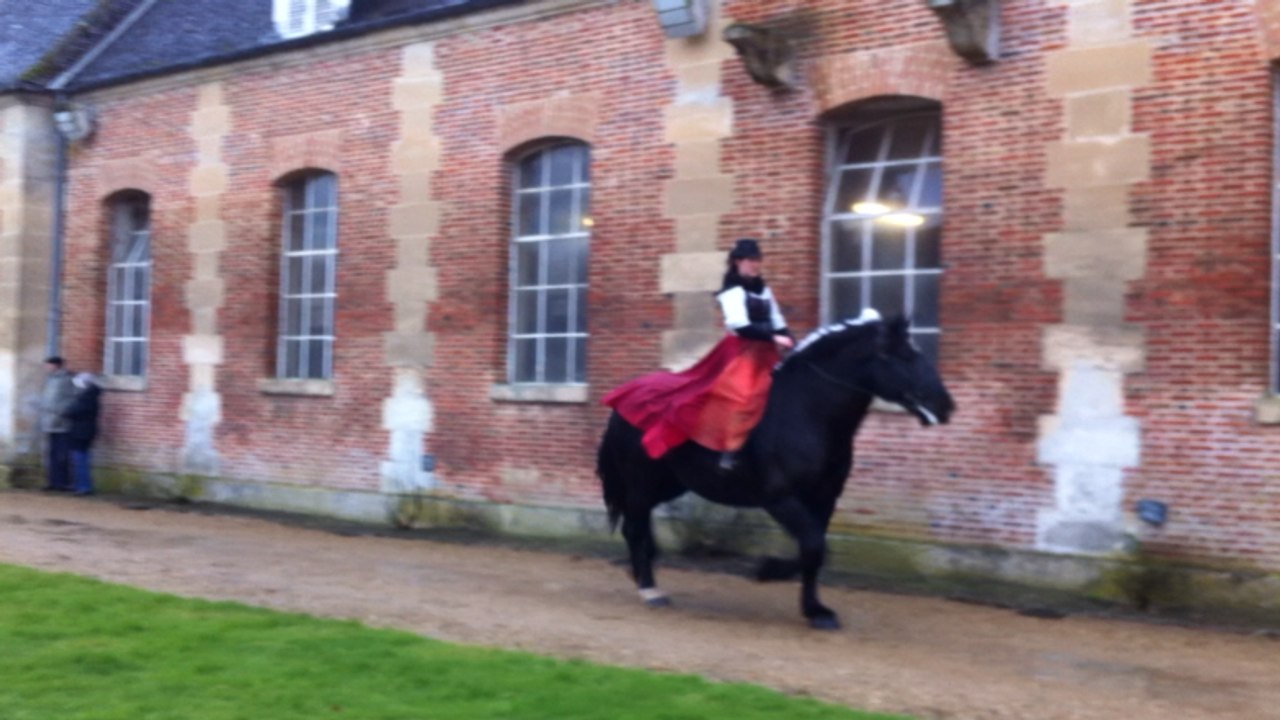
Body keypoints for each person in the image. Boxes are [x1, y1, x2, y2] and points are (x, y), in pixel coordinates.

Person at [603, 238, 793, 471]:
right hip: (740, 352)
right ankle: (730, 450)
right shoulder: (732, 290)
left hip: (767, 353)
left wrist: (789, 338)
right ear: (738, 262)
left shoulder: (764, 290)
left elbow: (778, 321)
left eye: (757, 260)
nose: (755, 265)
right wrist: (774, 338)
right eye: (750, 260)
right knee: (741, 396)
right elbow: (741, 326)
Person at [38, 356, 77, 492]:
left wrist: (61, 413)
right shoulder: (50, 380)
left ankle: (63, 482)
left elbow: (72, 400)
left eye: (48, 365)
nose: (46, 368)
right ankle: (52, 481)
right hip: (49, 423)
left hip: (62, 424)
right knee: (51, 454)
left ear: (56, 366)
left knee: (63, 455)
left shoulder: (67, 380)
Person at [64, 372, 102, 496]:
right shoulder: (91, 396)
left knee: (80, 459)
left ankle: (83, 486)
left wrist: (67, 412)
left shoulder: (87, 397)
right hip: (84, 430)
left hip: (81, 432)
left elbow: (74, 411)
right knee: (81, 459)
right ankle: (81, 484)